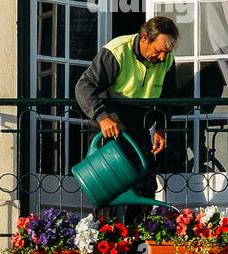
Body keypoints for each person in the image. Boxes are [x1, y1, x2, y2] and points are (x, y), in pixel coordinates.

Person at [75, 15, 181, 159]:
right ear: (144, 38)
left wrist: (161, 127)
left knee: (144, 180)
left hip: (140, 131)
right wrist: (102, 118)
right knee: (108, 181)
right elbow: (84, 86)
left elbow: (168, 98)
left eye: (166, 52)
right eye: (158, 51)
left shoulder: (167, 59)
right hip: (109, 130)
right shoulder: (117, 51)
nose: (162, 57)